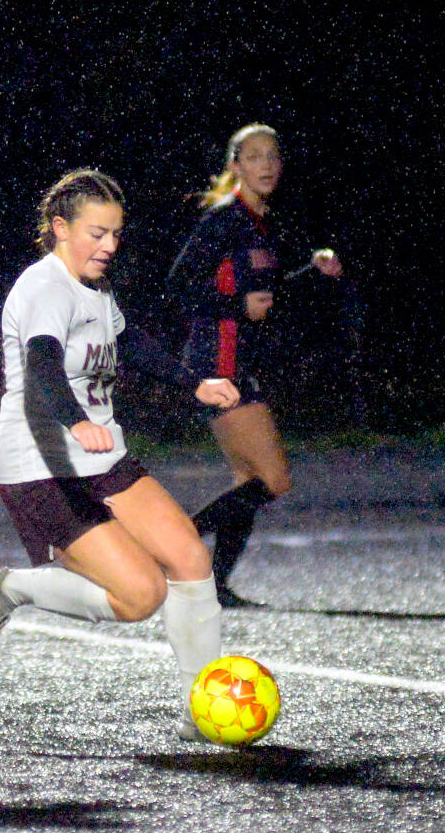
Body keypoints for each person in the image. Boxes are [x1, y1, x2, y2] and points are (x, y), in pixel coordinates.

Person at [0, 169, 240, 743]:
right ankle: (6, 587)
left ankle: (203, 711)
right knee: (141, 596)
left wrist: (194, 382)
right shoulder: (44, 287)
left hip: (102, 457)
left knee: (191, 559)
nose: (110, 246)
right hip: (42, 469)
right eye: (97, 233)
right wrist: (74, 421)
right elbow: (41, 366)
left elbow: (128, 341)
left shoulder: (96, 285)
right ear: (60, 229)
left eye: (116, 234)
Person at [165, 123, 344, 608]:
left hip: (235, 361)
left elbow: (267, 294)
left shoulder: (262, 222)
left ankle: (214, 587)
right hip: (214, 362)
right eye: (254, 156)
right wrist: (236, 308)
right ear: (235, 166)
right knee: (274, 480)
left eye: (273, 156)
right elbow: (178, 288)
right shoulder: (223, 221)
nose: (266, 165)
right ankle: (169, 548)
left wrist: (312, 271)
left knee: (249, 482)